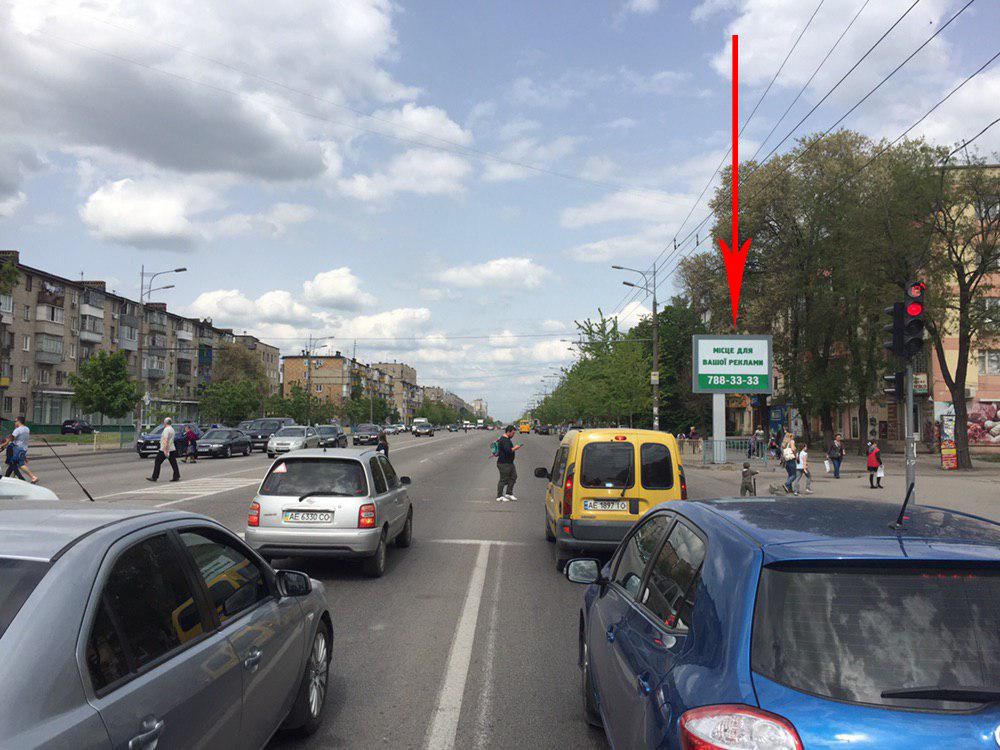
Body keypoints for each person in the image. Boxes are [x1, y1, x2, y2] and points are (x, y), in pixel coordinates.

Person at [1, 417, 38, 483]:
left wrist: (2, 445)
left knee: (20, 464)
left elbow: (10, 439)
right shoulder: (27, 429)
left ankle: (33, 477)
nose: (14, 423)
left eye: (15, 421)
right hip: (24, 448)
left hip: (17, 449)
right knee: (13, 464)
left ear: (19, 421)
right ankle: (13, 477)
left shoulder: (18, 430)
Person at [148, 417, 180, 483]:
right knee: (173, 462)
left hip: (164, 449)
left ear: (165, 423)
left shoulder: (166, 430)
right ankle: (176, 475)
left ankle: (154, 477)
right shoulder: (172, 429)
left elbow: (165, 439)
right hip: (172, 448)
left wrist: (165, 450)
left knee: (157, 461)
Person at [495, 425, 521, 502]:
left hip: (509, 463)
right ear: (508, 432)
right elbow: (508, 451)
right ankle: (499, 496)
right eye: (513, 433)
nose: (513, 435)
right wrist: (515, 448)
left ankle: (509, 493)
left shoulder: (505, 439)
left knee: (513, 477)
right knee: (503, 479)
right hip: (504, 463)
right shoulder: (505, 440)